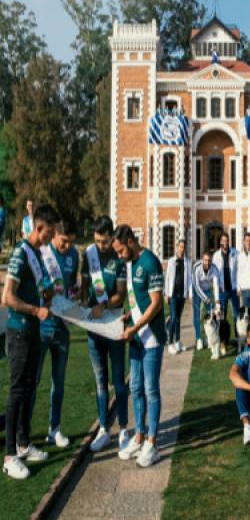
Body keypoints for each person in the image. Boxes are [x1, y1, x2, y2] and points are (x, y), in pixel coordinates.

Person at [2, 204, 59, 480]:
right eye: (50, 232)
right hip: (19, 331)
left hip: (33, 331)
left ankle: (23, 444)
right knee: (17, 392)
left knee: (28, 388)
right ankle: (10, 455)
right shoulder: (20, 253)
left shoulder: (36, 254)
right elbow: (8, 297)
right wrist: (36, 310)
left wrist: (45, 296)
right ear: (39, 228)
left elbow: (39, 290)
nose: (52, 237)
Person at [113, 225, 166, 468]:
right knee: (135, 386)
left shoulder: (150, 262)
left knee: (150, 388)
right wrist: (128, 318)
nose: (119, 254)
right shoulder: (129, 263)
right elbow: (136, 299)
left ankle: (152, 443)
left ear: (131, 241)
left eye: (121, 249)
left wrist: (135, 328)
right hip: (136, 335)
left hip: (150, 336)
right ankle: (139, 436)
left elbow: (155, 304)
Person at [81, 215, 128, 453]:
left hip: (113, 323)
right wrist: (80, 305)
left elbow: (121, 295)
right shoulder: (88, 256)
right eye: (98, 241)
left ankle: (123, 429)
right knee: (100, 381)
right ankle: (102, 430)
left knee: (119, 381)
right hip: (94, 328)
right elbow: (84, 287)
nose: (101, 246)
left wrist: (103, 306)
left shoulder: (118, 258)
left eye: (105, 241)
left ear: (112, 237)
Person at [31, 217, 80, 448]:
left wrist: (75, 294)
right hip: (42, 327)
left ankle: (55, 429)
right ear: (54, 235)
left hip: (62, 327)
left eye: (70, 242)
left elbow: (72, 285)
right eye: (64, 241)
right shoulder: (41, 253)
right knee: (33, 380)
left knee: (58, 382)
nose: (67, 246)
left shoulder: (74, 255)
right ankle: (25, 434)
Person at [164, 239, 192, 355]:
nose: (182, 249)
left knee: (178, 319)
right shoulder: (171, 261)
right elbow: (167, 277)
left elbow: (189, 279)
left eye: (183, 247)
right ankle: (170, 343)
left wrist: (190, 294)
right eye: (180, 246)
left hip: (182, 294)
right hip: (173, 294)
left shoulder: (188, 262)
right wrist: (166, 293)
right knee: (174, 317)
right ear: (177, 248)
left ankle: (178, 341)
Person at [192, 252, 221, 350]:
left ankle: (210, 338)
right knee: (197, 315)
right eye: (205, 260)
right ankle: (199, 338)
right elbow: (195, 285)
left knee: (212, 313)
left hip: (208, 289)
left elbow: (216, 285)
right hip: (197, 291)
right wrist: (205, 298)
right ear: (202, 260)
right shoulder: (196, 267)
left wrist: (217, 301)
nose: (207, 262)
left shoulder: (214, 268)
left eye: (209, 260)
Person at [212, 232, 240, 330]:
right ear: (220, 242)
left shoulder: (235, 253)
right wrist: (216, 298)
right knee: (221, 315)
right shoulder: (216, 256)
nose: (225, 243)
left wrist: (239, 287)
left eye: (227, 241)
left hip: (234, 289)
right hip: (222, 290)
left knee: (237, 314)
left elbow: (239, 270)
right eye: (223, 241)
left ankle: (238, 337)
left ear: (229, 242)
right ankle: (222, 339)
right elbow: (215, 276)